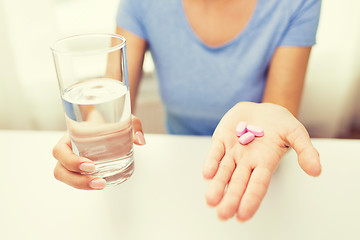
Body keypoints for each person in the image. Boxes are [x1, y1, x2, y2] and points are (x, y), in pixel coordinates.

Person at [52, 0, 322, 222]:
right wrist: (90, 135)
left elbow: (278, 111)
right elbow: (112, 96)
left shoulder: (296, 4)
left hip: (257, 173)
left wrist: (270, 121)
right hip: (175, 176)